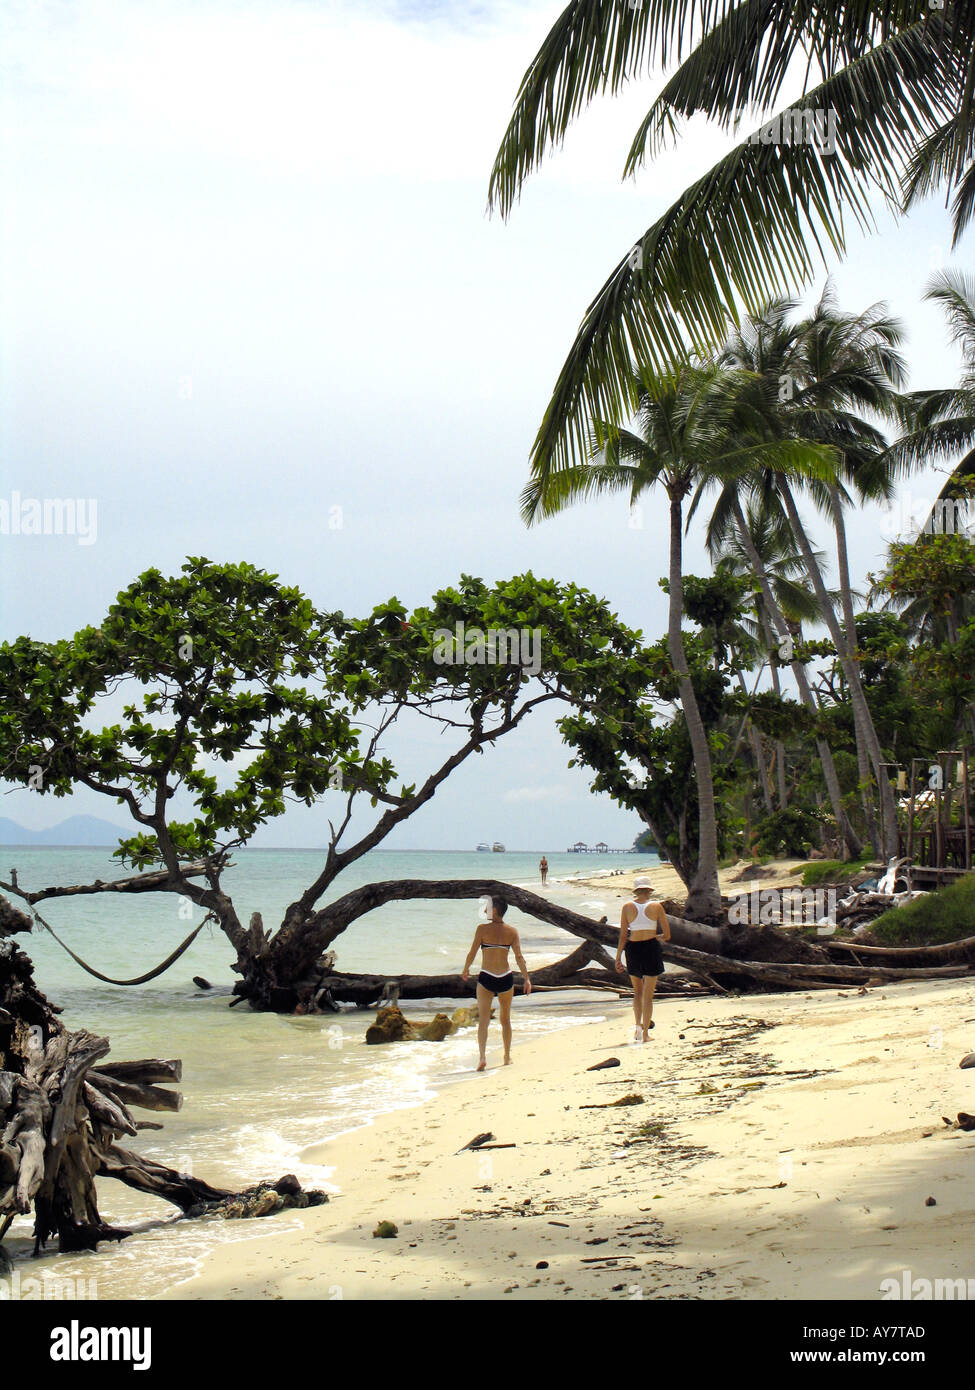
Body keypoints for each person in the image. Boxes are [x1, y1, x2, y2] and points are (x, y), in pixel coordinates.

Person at [461, 895, 531, 1070]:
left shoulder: (482, 929)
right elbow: (519, 957)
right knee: (505, 1020)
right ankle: (507, 1056)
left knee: (483, 1020)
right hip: (506, 978)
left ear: (495, 911)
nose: (485, 910)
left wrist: (466, 969)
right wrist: (527, 979)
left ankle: (482, 1057)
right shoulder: (512, 932)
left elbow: (472, 953)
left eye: (487, 908)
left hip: (486, 977)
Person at [615, 876, 670, 1042]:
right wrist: (656, 937)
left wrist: (617, 957)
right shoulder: (656, 906)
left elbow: (623, 935)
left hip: (633, 949)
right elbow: (667, 935)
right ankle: (645, 1034)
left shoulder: (627, 907)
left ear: (636, 891)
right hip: (650, 948)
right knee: (648, 994)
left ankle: (637, 1030)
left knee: (637, 992)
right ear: (649, 890)